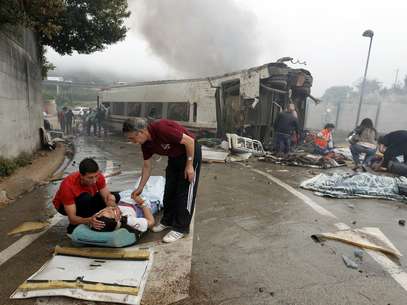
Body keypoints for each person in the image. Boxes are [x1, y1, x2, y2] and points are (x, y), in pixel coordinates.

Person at [122, 118, 202, 243]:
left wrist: (189, 165)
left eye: (132, 138)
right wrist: (140, 188)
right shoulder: (146, 144)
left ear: (141, 132)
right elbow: (147, 166)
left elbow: (189, 141)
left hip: (190, 153)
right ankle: (167, 221)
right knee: (169, 188)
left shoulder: (161, 128)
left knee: (184, 191)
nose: (133, 142)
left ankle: (181, 228)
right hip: (174, 157)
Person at [53, 158, 120, 234]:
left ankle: (91, 216)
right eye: (90, 178)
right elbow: (72, 218)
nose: (94, 181)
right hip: (64, 206)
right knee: (85, 199)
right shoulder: (67, 186)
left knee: (115, 196)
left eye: (96, 176)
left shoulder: (98, 176)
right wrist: (89, 220)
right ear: (81, 176)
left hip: (88, 200)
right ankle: (75, 226)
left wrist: (113, 207)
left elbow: (107, 196)